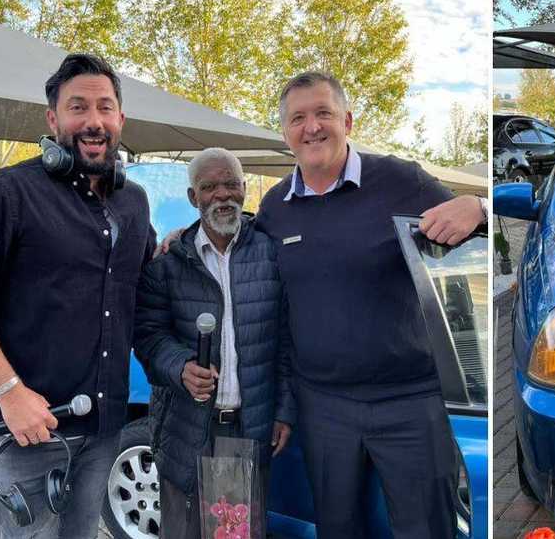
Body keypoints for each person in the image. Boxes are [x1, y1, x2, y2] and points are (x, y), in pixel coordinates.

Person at [0, 53, 156, 537]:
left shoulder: (134, 203)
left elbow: (142, 283)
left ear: (120, 119)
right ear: (53, 119)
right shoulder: (3, 193)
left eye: (104, 107)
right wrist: (9, 393)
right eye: (78, 107)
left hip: (105, 431)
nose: (93, 121)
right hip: (28, 433)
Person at [260, 72, 485, 538]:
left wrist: (479, 206)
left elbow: (465, 226)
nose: (312, 127)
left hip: (410, 399)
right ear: (286, 134)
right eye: (298, 118)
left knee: (426, 529)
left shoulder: (400, 180)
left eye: (323, 113)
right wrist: (186, 238)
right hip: (322, 405)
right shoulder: (274, 207)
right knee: (338, 528)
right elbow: (245, 266)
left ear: (347, 119)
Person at [133, 148, 294, 538]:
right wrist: (179, 367)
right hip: (185, 431)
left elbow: (288, 342)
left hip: (243, 431)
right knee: (183, 531)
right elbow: (148, 337)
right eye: (209, 187)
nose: (222, 195)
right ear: (194, 197)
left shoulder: (272, 255)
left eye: (230, 184)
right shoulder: (168, 263)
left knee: (234, 534)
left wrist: (284, 410)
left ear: (243, 189)